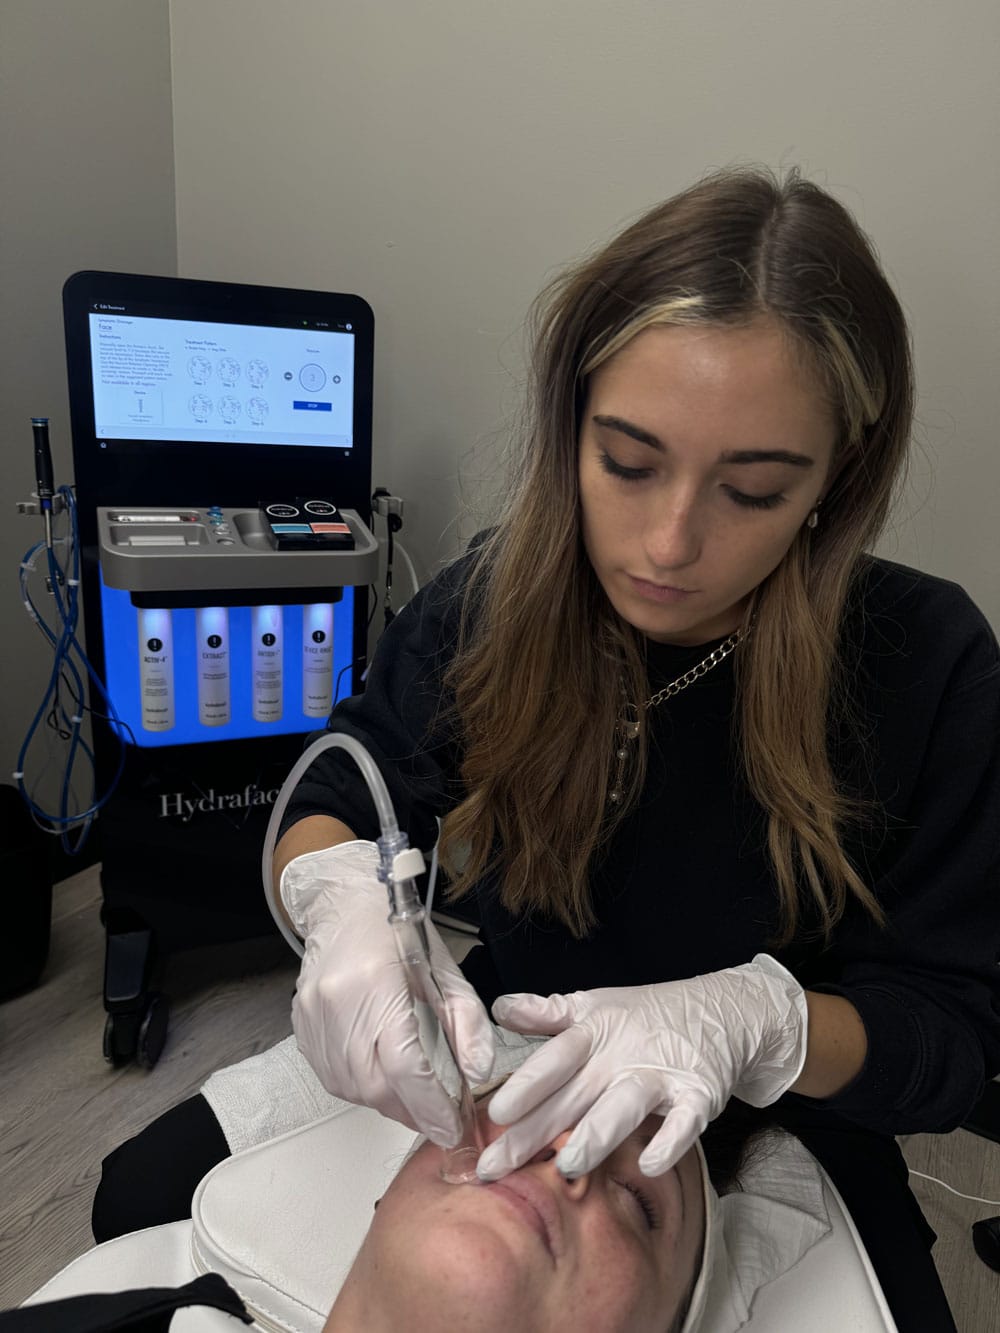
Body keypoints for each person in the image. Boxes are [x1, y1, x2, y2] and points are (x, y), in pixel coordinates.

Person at [94, 167, 1000, 1333]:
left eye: (754, 491)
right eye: (626, 462)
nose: (669, 543)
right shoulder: (502, 597)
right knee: (137, 1193)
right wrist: (335, 903)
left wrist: (757, 1023)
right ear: (571, 422)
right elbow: (345, 776)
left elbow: (959, 1037)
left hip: (794, 1103)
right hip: (513, 1044)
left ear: (836, 481)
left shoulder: (927, 664)